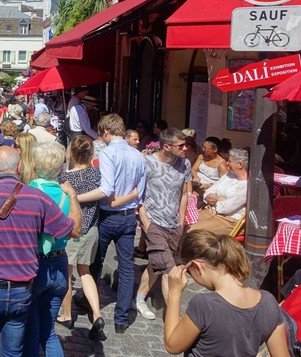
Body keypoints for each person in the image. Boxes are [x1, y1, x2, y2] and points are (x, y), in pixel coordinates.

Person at [0, 146, 79, 356]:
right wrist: (73, 196)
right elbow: (72, 230)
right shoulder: (38, 198)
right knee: (13, 351)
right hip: (20, 288)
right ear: (19, 167)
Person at [164, 230, 288, 356]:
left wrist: (174, 293)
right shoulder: (268, 302)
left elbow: (172, 346)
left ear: (196, 266)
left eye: (189, 272)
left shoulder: (204, 305)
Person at [77, 113, 147, 334]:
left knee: (95, 263)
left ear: (106, 132)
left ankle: (91, 305)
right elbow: (140, 193)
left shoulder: (108, 153)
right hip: (129, 217)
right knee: (126, 268)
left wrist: (75, 198)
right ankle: (121, 319)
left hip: (108, 216)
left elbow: (106, 190)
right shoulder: (138, 155)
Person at [24, 141, 84, 357]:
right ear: (60, 167)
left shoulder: (29, 191)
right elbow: (76, 229)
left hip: (35, 263)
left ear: (34, 164)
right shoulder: (65, 194)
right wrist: (73, 196)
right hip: (59, 262)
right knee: (48, 331)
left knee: (30, 331)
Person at [135, 128, 192, 322]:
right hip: (154, 222)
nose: (185, 148)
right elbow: (137, 194)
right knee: (169, 270)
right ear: (166, 147)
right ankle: (175, 319)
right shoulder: (147, 163)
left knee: (156, 264)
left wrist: (181, 222)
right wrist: (145, 222)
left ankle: (139, 298)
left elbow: (184, 194)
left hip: (174, 223)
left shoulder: (185, 164)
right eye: (181, 145)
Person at [56, 135, 105, 339]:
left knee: (67, 273)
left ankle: (67, 315)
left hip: (73, 229)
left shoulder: (65, 178)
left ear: (71, 153)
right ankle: (97, 315)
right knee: (85, 272)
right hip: (91, 228)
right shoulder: (97, 174)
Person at [190, 148, 249, 236]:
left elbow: (225, 208)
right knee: (183, 224)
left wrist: (215, 198)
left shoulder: (246, 186)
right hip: (211, 211)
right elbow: (208, 192)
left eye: (230, 161)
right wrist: (220, 199)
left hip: (228, 220)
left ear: (240, 165)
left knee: (191, 231)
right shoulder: (228, 175)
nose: (227, 163)